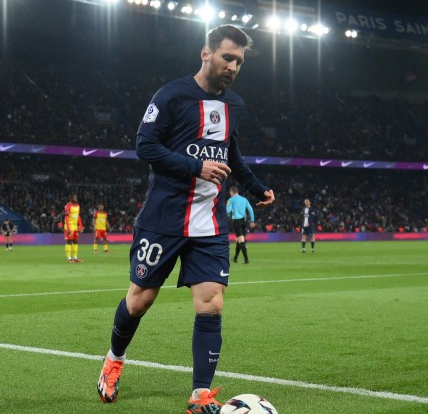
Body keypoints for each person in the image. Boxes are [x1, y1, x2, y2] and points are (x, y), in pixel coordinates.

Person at [96, 24, 275, 413]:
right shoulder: (172, 95)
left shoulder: (235, 106)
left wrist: (256, 187)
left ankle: (200, 395)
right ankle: (114, 360)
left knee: (211, 303)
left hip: (210, 223)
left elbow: (232, 156)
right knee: (140, 300)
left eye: (240, 61)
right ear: (205, 53)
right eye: (227, 56)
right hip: (164, 217)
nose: (233, 66)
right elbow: (145, 145)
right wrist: (196, 166)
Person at [226, 186, 255, 263]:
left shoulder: (230, 200)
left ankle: (246, 259)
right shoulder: (244, 199)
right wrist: (252, 220)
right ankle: (235, 258)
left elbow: (228, 211)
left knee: (241, 240)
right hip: (244, 221)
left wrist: (230, 209)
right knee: (239, 240)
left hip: (237, 221)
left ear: (232, 192)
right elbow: (250, 209)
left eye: (230, 193)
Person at [64, 193, 84, 263]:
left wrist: (80, 225)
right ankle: (69, 258)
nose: (76, 199)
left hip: (75, 227)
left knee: (76, 241)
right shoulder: (67, 206)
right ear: (71, 198)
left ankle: (75, 257)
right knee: (69, 241)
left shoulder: (78, 205)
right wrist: (68, 228)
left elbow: (78, 216)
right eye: (74, 198)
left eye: (76, 197)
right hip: (69, 226)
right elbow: (66, 217)